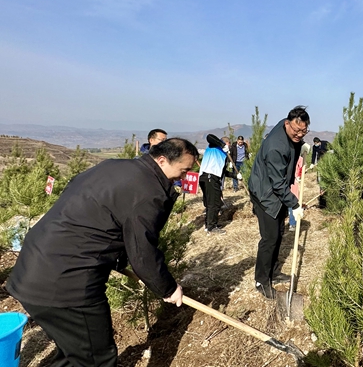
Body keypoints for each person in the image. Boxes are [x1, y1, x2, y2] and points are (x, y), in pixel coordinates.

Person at [7, 138, 198, 367]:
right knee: (96, 359)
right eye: (183, 170)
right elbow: (142, 252)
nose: (184, 177)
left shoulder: (113, 167)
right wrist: (168, 288)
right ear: (162, 160)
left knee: (74, 355)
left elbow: (96, 215)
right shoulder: (149, 191)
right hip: (67, 284)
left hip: (32, 269)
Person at [248, 106, 309, 299]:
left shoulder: (289, 131)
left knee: (279, 233)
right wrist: (295, 204)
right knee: (269, 238)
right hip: (265, 193)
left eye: (303, 131)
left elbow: (295, 143)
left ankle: (273, 271)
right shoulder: (276, 146)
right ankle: (261, 281)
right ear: (287, 124)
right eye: (296, 131)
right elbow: (278, 184)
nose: (299, 134)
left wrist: (301, 148)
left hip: (274, 189)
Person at [200, 134, 241, 235]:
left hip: (207, 177)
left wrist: (236, 176)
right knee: (215, 203)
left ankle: (208, 224)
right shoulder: (214, 146)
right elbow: (209, 136)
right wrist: (221, 145)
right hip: (210, 177)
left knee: (210, 203)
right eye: (229, 144)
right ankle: (212, 227)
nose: (230, 147)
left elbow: (223, 172)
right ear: (227, 143)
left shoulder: (222, 154)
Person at [288, 142, 311, 232]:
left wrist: (299, 175)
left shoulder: (299, 158)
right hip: (287, 183)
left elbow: (302, 169)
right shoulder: (290, 156)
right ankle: (290, 224)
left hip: (293, 182)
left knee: (291, 203)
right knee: (288, 204)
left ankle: (292, 223)